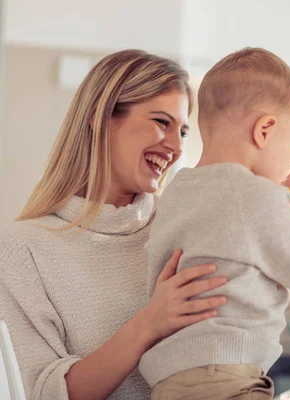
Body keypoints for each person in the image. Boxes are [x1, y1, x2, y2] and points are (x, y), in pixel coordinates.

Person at [0, 49, 229, 400]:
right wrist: (149, 323)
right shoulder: (22, 249)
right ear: (101, 117)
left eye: (182, 131)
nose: (175, 146)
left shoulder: (182, 227)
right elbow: (40, 393)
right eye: (161, 122)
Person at [139, 47, 290, 400]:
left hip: (170, 381)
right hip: (228, 377)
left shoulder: (178, 191)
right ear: (265, 130)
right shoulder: (259, 196)